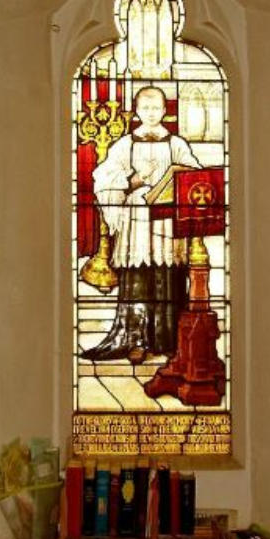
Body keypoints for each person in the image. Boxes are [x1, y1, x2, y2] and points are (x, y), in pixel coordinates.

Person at [81, 86, 201, 364]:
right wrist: (133, 180)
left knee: (168, 274)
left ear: (164, 111)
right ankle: (136, 340)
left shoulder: (177, 144)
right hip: (137, 221)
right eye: (145, 108)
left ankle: (168, 339)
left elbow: (194, 174)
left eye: (156, 108)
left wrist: (176, 178)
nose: (151, 113)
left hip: (167, 220)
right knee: (138, 275)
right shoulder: (125, 145)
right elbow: (104, 177)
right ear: (136, 111)